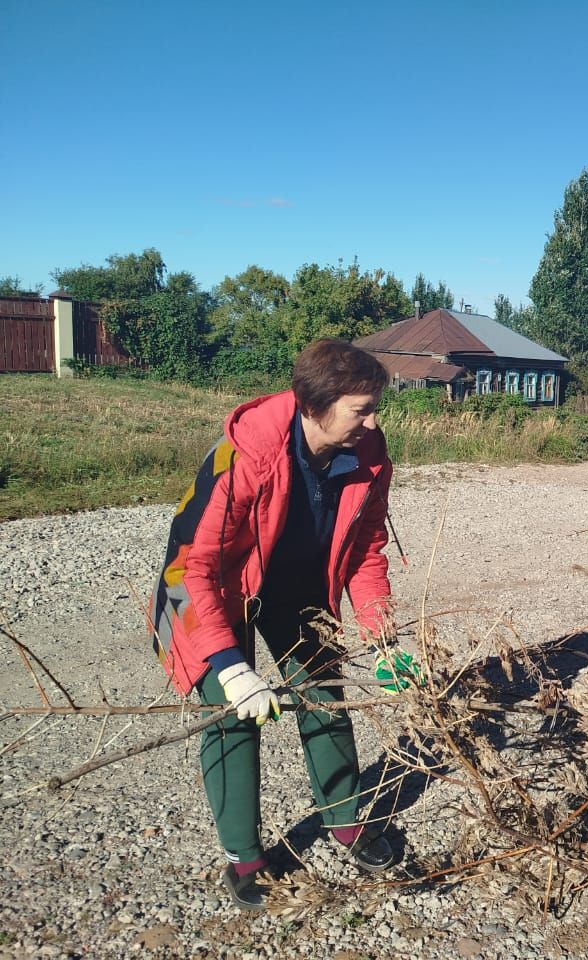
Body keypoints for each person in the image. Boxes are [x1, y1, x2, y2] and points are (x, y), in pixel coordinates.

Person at [150, 338, 418, 911]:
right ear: (314, 405)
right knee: (231, 716)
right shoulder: (246, 452)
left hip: (297, 584)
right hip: (209, 586)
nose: (373, 422)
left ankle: (344, 822)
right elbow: (197, 562)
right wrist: (228, 664)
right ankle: (244, 858)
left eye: (374, 408)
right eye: (361, 410)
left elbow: (367, 547)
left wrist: (380, 633)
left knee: (324, 693)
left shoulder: (368, 453)